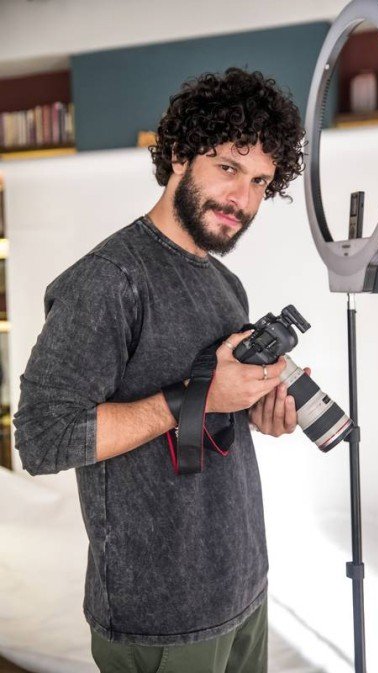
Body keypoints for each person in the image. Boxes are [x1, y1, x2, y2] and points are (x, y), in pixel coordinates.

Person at [13, 67, 306, 673]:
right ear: (178, 155)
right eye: (228, 167)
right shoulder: (109, 279)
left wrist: (256, 408)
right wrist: (194, 396)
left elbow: (215, 414)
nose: (243, 200)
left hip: (244, 586)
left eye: (260, 181)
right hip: (162, 616)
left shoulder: (226, 283)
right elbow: (41, 438)